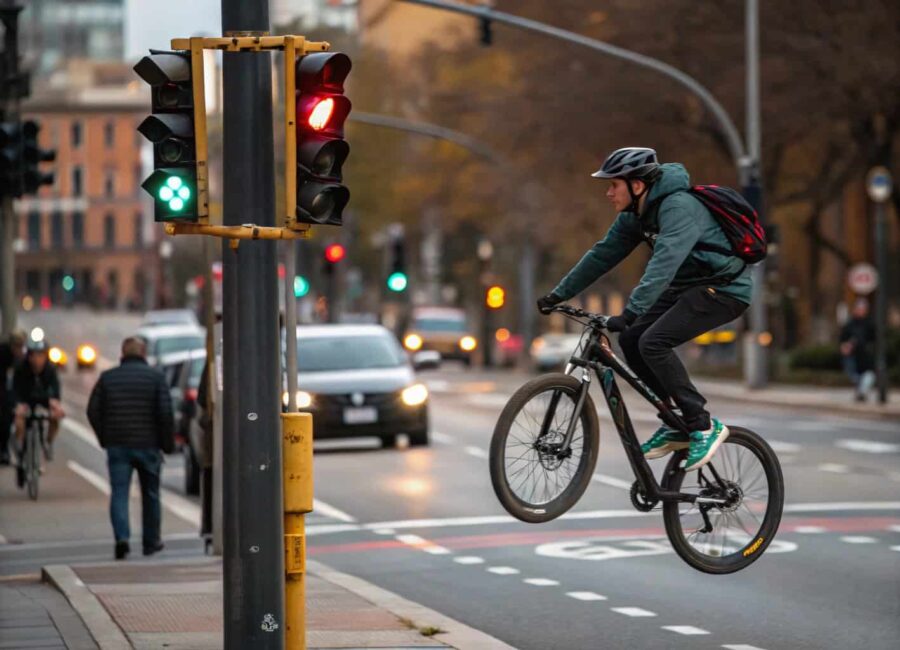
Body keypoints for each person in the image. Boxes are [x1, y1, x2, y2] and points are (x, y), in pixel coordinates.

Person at [537, 147, 751, 472]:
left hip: (724, 289)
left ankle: (703, 424)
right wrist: (557, 295)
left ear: (637, 185)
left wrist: (631, 311)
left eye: (614, 185)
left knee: (653, 342)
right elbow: (602, 255)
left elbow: (663, 264)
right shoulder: (635, 215)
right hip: (688, 288)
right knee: (631, 339)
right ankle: (674, 419)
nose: (608, 193)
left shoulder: (679, 207)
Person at [87, 336, 174, 560]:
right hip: (149, 445)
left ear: (123, 354)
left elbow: (93, 410)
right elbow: (165, 413)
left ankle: (122, 539)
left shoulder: (108, 378)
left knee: (119, 492)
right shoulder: (156, 377)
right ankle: (151, 542)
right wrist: (166, 444)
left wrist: (105, 437)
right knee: (151, 494)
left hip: (118, 445)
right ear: (143, 353)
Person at [13, 339, 65, 483]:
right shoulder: (21, 368)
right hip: (25, 399)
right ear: (29, 356)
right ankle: (20, 448)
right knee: (19, 420)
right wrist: (18, 405)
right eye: (33, 355)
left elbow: (56, 390)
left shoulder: (50, 370)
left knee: (55, 418)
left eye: (40, 355)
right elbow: (14, 390)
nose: (37, 360)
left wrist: (55, 404)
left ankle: (48, 443)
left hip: (44, 399)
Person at [839, 298, 876, 402]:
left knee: (869, 375)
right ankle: (860, 392)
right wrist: (845, 346)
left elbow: (874, 339)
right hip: (852, 356)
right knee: (855, 376)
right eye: (859, 308)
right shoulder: (849, 324)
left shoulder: (870, 324)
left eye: (863, 309)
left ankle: (862, 393)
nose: (861, 311)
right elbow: (842, 340)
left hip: (866, 356)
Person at [0, 329, 27, 465]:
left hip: (17, 391)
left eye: (21, 346)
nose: (18, 349)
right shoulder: (3, 353)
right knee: (4, 418)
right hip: (4, 389)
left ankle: (12, 449)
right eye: (16, 346)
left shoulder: (25, 358)